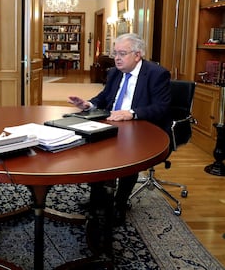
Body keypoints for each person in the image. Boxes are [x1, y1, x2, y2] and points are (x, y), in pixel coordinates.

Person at [68, 33, 171, 261]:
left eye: (122, 54)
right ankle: (97, 199)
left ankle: (120, 203)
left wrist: (132, 113)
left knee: (127, 155)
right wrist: (89, 104)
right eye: (115, 53)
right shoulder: (114, 73)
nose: (116, 58)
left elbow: (162, 108)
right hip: (111, 121)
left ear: (138, 54)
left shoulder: (156, 74)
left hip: (141, 125)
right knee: (92, 148)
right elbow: (105, 97)